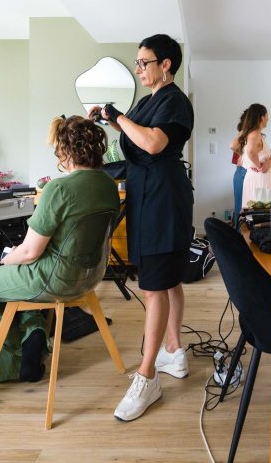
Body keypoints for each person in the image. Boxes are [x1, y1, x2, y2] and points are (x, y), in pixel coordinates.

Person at [0, 115, 120, 384]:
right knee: (22, 284)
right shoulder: (108, 186)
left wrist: (7, 259)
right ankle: (32, 331)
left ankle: (18, 362)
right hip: (89, 277)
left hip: (53, 279)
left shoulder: (58, 188)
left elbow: (30, 253)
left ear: (65, 150)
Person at [89, 34, 193, 422]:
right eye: (137, 63)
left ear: (165, 64)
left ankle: (148, 376)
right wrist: (110, 117)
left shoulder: (175, 102)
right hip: (148, 196)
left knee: (152, 289)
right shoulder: (149, 101)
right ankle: (174, 351)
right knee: (168, 282)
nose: (138, 69)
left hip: (162, 201)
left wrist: (117, 117)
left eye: (144, 62)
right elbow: (134, 138)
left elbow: (151, 144)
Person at [238, 103, 271, 208]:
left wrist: (270, 161)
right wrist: (259, 166)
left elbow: (270, 154)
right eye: (267, 116)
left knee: (263, 212)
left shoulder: (257, 134)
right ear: (261, 117)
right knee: (260, 213)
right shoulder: (254, 134)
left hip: (261, 178)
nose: (268, 118)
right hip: (259, 179)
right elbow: (250, 151)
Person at [229, 119, 246, 228]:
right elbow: (239, 161)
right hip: (242, 173)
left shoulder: (258, 136)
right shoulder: (242, 137)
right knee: (240, 208)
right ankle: (238, 238)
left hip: (251, 174)